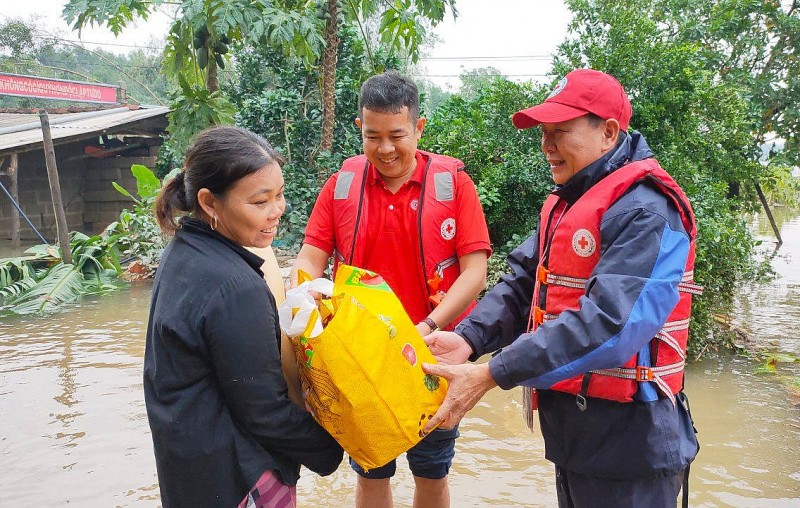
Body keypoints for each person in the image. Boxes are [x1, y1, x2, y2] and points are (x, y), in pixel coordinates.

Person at [421, 69, 701, 508]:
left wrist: (494, 373)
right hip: (578, 439)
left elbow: (612, 324)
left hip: (632, 446)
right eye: (543, 133)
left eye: (560, 132)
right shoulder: (568, 202)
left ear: (608, 132)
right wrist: (467, 339)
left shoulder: (648, 210)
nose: (546, 146)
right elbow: (522, 286)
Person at [291, 71, 491, 508]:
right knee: (371, 474)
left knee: (431, 474)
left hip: (431, 354)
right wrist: (302, 295)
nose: (385, 149)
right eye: (372, 136)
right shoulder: (342, 185)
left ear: (418, 128)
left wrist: (428, 325)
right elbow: (310, 256)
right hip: (359, 360)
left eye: (397, 135)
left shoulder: (453, 184)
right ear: (360, 129)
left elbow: (476, 271)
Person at [144, 126, 343, 508]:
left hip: (191, 471)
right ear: (210, 202)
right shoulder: (235, 286)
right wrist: (337, 444)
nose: (277, 211)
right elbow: (266, 412)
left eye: (279, 195)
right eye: (259, 202)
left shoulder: (181, 254)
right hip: (239, 477)